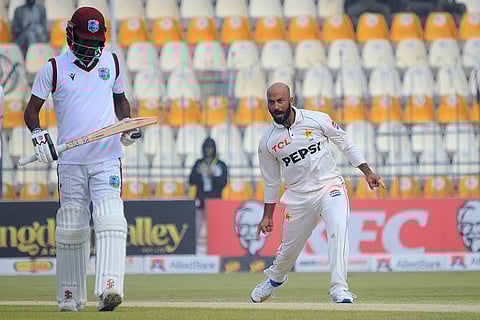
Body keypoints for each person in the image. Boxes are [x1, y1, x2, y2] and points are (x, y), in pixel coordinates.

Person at [23, 7, 141, 312]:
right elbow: (31, 110)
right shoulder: (54, 67)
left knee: (111, 218)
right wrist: (39, 136)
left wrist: (126, 126)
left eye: (95, 42)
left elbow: (121, 101)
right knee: (72, 227)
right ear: (70, 35)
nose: (90, 49)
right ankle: (70, 296)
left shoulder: (112, 61)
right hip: (71, 160)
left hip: (106, 156)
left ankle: (110, 288)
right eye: (84, 41)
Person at [250, 82, 385, 304]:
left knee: (338, 229)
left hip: (329, 187)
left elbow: (345, 143)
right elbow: (271, 181)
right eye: (271, 102)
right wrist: (267, 215)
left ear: (291, 101)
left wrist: (367, 172)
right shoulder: (267, 142)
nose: (276, 107)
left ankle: (339, 289)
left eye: (280, 101)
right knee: (287, 252)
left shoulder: (317, 119)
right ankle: (275, 279)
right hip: (298, 198)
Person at [188, 137, 228, 237]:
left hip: (215, 199)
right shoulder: (198, 163)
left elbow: (223, 183)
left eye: (210, 147)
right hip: (200, 199)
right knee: (198, 226)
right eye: (206, 147)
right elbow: (191, 181)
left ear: (214, 149)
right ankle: (197, 248)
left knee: (215, 228)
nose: (208, 150)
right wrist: (199, 173)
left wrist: (212, 176)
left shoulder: (220, 164)